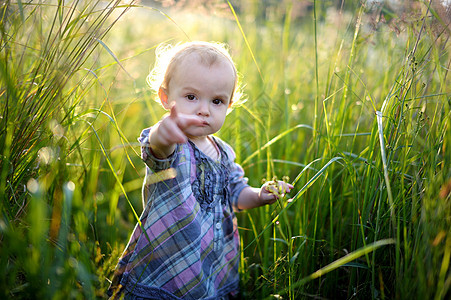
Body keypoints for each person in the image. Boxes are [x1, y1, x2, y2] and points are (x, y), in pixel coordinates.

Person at [108, 41, 293, 300]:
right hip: (168, 261)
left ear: (229, 105)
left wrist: (260, 195)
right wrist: (166, 131)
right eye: (191, 97)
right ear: (165, 97)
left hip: (209, 261)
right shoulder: (172, 143)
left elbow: (236, 194)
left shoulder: (224, 153)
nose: (204, 110)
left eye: (216, 101)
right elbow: (156, 147)